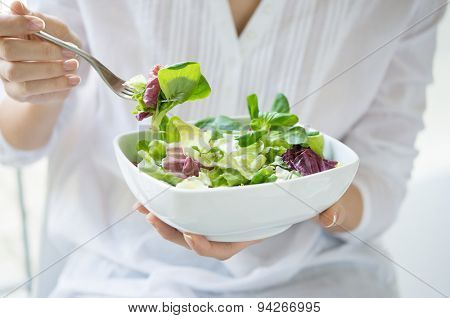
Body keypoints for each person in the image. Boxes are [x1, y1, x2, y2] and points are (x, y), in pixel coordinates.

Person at [0, 0, 444, 297]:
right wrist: (43, 86)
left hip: (319, 276)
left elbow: (384, 169)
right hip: (118, 272)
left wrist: (304, 202)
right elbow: (17, 147)